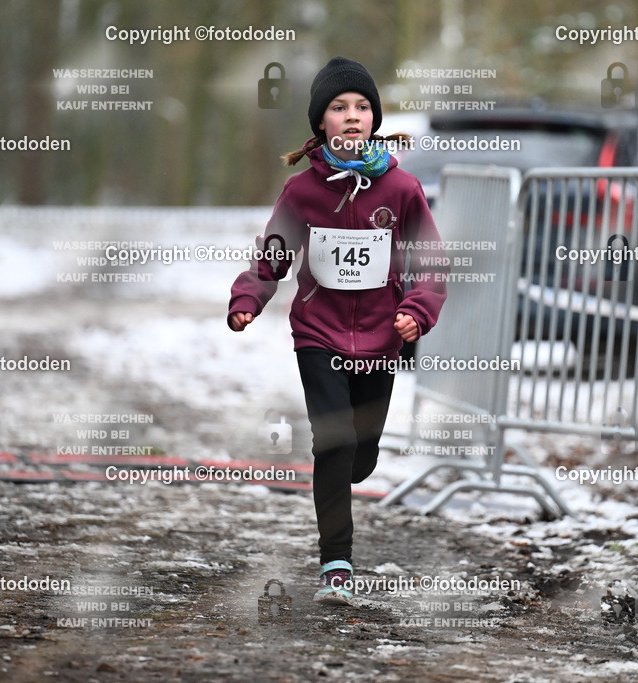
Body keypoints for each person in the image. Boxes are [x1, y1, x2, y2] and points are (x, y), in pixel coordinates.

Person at [228, 57, 447, 604]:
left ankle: (356, 460)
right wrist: (249, 298)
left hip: (382, 337)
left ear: (374, 119)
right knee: (334, 440)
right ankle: (337, 562)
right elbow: (272, 256)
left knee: (361, 454)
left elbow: (432, 263)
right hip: (318, 335)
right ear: (320, 123)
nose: (352, 116)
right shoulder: (302, 191)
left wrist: (416, 311)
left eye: (362, 107)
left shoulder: (401, 189)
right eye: (339, 107)